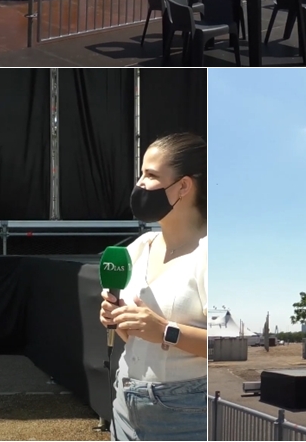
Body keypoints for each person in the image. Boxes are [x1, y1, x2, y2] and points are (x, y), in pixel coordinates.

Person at [100, 132, 208, 441]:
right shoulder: (137, 248)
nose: (140, 185)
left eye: (150, 175)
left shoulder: (210, 254)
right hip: (125, 403)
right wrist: (118, 319)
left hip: (186, 413)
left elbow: (224, 348)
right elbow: (133, 338)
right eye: (141, 174)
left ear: (183, 186)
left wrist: (164, 330)